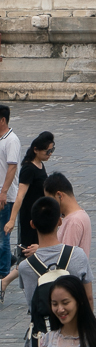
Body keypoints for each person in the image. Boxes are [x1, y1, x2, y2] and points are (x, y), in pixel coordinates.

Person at [18, 196, 93, 347]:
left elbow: (31, 304)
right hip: (76, 335)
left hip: (41, 338)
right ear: (60, 221)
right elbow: (88, 298)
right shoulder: (78, 255)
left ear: (32, 224)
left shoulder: (25, 268)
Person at [42, 175, 90, 257]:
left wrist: (42, 252)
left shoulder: (73, 222)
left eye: (50, 199)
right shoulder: (80, 215)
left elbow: (65, 258)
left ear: (59, 195)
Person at [0, 105, 21, 281]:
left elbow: (12, 167)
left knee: (3, 236)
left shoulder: (11, 140)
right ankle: (9, 260)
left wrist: (3, 192)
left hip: (5, 196)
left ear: (2, 120)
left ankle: (3, 274)